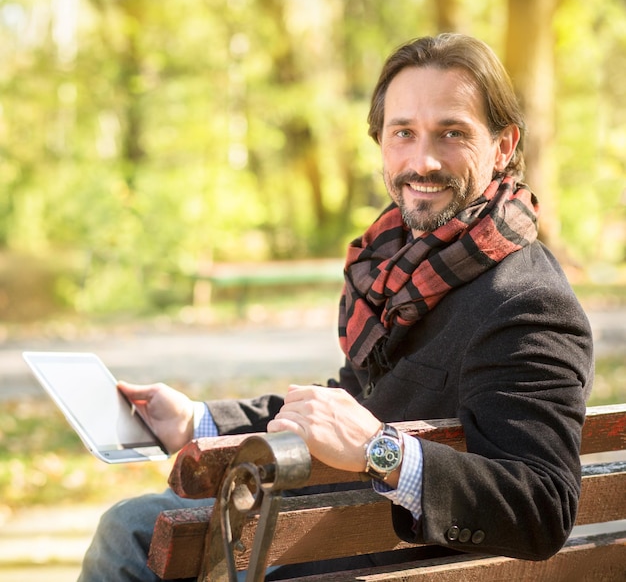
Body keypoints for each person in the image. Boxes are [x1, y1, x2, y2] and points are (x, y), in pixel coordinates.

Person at [78, 33, 593, 581]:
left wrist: (381, 450)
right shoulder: (403, 264)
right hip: (346, 532)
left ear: (504, 145)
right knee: (134, 526)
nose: (422, 160)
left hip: (387, 560)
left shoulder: (527, 305)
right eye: (403, 133)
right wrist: (198, 422)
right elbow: (353, 401)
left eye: (452, 133)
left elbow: (543, 507)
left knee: (130, 531)